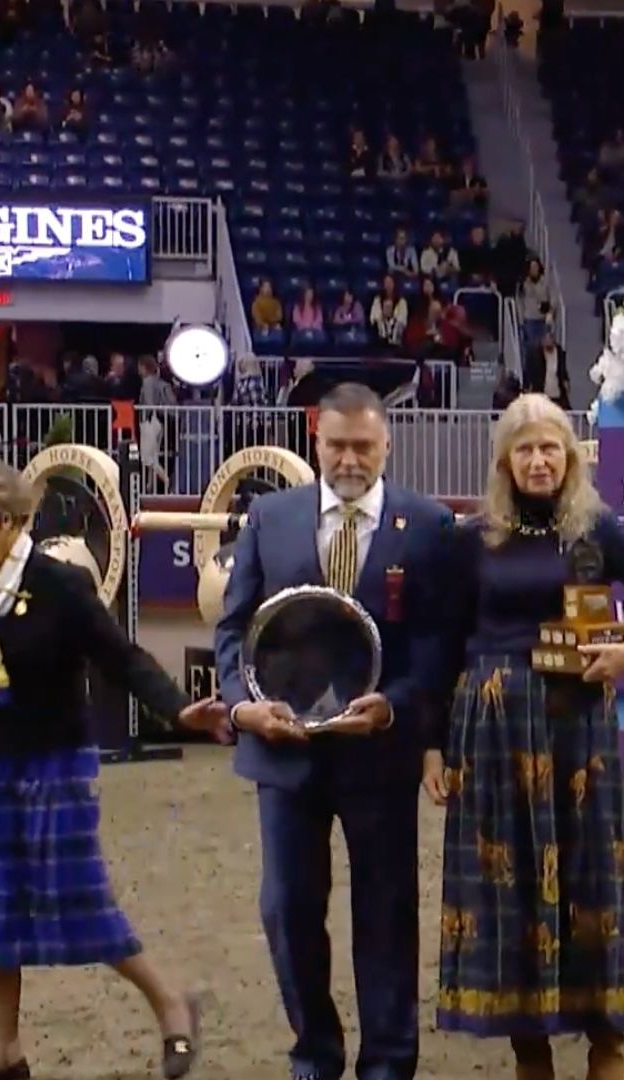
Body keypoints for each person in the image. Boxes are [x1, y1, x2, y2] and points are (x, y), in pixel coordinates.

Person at [425, 394, 624, 1080]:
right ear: (504, 462)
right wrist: (432, 745)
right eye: (525, 450)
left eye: (551, 448)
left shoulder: (596, 530)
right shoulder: (472, 538)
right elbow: (441, 647)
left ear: (571, 457)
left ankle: (608, 1046)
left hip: (580, 732)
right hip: (491, 735)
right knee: (509, 888)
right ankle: (532, 1052)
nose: (539, 461)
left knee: (591, 879)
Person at [213, 383, 455, 1080]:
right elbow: (234, 630)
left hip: (378, 753)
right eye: (336, 444)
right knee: (287, 911)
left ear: (387, 444)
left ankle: (388, 1063)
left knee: (386, 914)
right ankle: (314, 1055)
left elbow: (437, 646)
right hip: (282, 749)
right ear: (315, 441)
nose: (350, 459)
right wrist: (240, 707)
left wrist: (398, 705)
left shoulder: (430, 525)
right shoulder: (269, 515)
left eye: (364, 446)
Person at [0, 454, 228, 1079]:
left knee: (77, 900)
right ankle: (4, 1050)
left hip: (53, 764)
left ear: (0, 520)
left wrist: (177, 709)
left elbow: (121, 657)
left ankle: (172, 1003)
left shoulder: (58, 583)